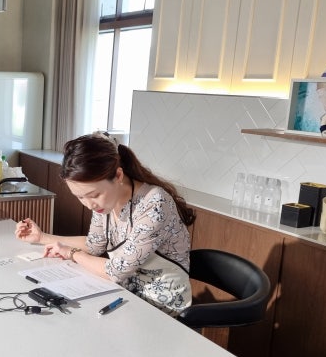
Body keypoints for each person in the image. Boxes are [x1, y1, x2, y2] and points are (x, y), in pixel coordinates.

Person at [15, 132, 196, 316]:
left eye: (94, 195)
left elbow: (116, 271)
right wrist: (42, 237)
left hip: (163, 308)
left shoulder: (154, 203)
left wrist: (72, 253)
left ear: (118, 175)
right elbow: (94, 245)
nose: (89, 205)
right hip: (126, 296)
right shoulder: (106, 201)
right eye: (80, 197)